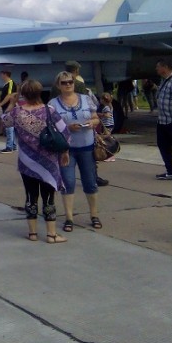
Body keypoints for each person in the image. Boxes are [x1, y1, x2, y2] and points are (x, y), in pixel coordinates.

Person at [3, 80, 70, 243]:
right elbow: (65, 132)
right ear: (40, 93)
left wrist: (12, 103)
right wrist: (65, 152)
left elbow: (5, 121)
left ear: (24, 95)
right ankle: (51, 234)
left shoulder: (17, 113)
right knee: (49, 198)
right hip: (49, 161)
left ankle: (32, 233)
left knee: (30, 196)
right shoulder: (49, 110)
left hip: (27, 162)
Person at [49, 72, 101, 233]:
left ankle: (94, 214)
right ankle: (69, 217)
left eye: (70, 82)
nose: (68, 85)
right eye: (64, 83)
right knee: (68, 182)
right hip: (66, 149)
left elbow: (96, 117)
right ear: (58, 85)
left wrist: (92, 123)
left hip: (87, 146)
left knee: (90, 181)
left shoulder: (85, 98)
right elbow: (50, 127)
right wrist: (67, 128)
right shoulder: (53, 104)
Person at [0, 70, 18, 153]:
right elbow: (3, 96)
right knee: (10, 127)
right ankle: (13, 145)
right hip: (5, 107)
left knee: (9, 128)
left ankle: (9, 147)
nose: (1, 76)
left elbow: (9, 95)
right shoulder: (5, 84)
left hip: (9, 108)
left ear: (5, 74)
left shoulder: (10, 83)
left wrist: (0, 104)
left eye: (2, 75)